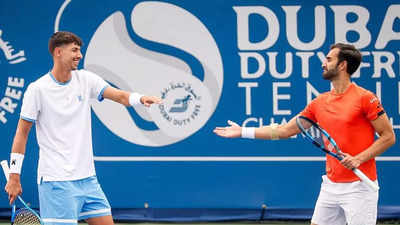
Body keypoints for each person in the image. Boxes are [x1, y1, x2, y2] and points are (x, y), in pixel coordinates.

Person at [214, 43, 395, 225]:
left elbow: (388, 136)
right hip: (331, 185)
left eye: (329, 59)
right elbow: (285, 130)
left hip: (360, 188)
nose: (323, 63)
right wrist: (243, 131)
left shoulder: (365, 98)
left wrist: (358, 159)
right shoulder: (319, 103)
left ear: (342, 65)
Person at [5, 31, 161, 225]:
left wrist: (140, 98)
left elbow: (120, 96)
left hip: (88, 180)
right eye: (75, 50)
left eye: (80, 50)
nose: (79, 55)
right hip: (56, 182)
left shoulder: (86, 80)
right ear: (58, 52)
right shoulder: (37, 90)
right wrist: (14, 176)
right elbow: (22, 132)